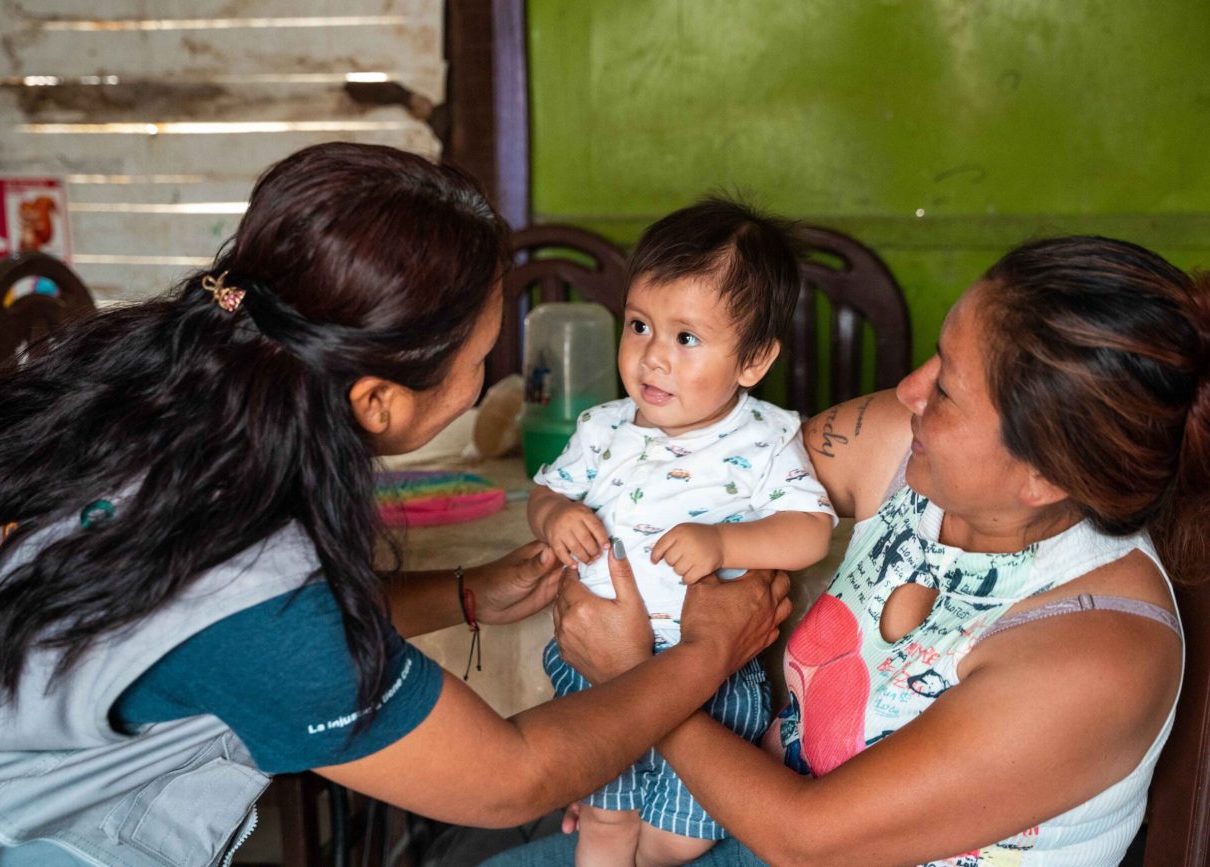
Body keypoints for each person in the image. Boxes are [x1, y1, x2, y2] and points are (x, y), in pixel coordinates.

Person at [0, 143, 793, 867]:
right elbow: (510, 778)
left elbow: (195, 634)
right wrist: (707, 653)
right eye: (481, 356)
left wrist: (461, 595)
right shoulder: (254, 591)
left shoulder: (161, 404)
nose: (489, 376)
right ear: (379, 403)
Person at [491, 235, 1209, 866]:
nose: (909, 388)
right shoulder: (904, 443)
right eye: (936, 354)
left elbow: (805, 839)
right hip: (737, 818)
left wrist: (637, 681)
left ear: (1044, 474)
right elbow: (718, 472)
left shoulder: (1097, 649)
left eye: (949, 390)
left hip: (785, 836)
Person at [528, 198, 835, 865]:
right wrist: (554, 513)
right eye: (639, 325)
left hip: (711, 676)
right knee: (605, 824)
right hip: (595, 671)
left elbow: (810, 531)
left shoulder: (765, 437)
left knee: (679, 838)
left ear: (752, 361)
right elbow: (546, 488)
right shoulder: (602, 427)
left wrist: (723, 544)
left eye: (685, 338)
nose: (652, 358)